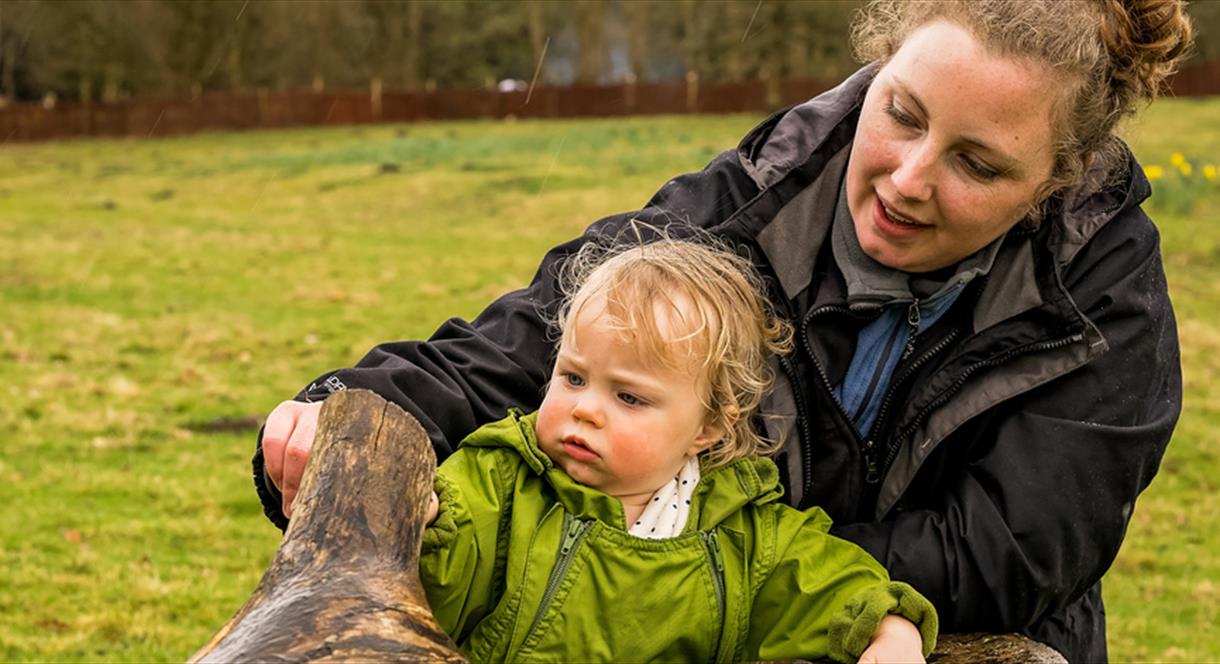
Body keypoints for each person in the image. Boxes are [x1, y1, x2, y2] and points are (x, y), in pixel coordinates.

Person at [255, 1, 1192, 660]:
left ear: (1057, 181)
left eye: (977, 164)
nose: (908, 178)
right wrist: (355, 408)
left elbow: (1009, 556)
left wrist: (711, 571)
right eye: (900, 113)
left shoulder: (1108, 310)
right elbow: (541, 342)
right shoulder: (745, 206)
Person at [416, 238, 937, 662]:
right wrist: (426, 515)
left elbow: (824, 580)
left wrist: (889, 628)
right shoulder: (503, 480)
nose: (586, 409)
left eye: (628, 396)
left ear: (707, 427)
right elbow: (451, 541)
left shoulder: (741, 533)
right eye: (573, 377)